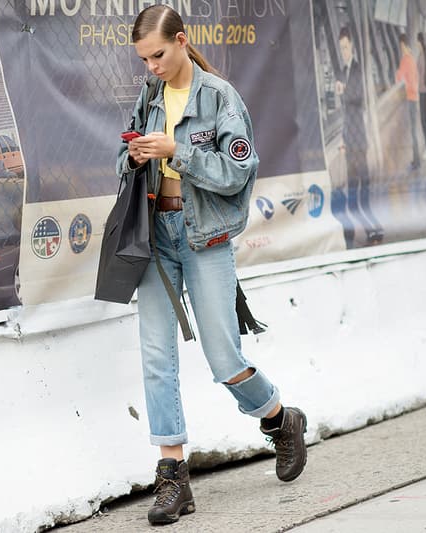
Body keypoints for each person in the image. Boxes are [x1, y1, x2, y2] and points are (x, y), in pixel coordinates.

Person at [117, 5, 307, 525]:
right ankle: (173, 478)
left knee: (224, 359)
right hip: (156, 236)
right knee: (156, 358)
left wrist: (177, 151)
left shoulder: (220, 98)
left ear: (181, 41)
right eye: (143, 59)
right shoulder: (150, 96)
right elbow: (124, 156)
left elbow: (237, 173)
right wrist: (134, 156)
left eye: (158, 54)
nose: (151, 66)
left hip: (204, 238)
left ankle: (279, 418)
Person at [335, 27, 383, 246]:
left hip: (359, 141)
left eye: (346, 47)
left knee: (362, 191)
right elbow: (346, 113)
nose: (344, 51)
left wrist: (343, 90)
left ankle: (374, 229)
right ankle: (368, 230)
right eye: (341, 48)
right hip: (350, 140)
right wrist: (344, 140)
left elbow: (357, 97)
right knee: (355, 191)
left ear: (352, 45)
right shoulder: (344, 70)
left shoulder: (356, 69)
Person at [395, 34, 421, 169]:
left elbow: (398, 77)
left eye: (401, 46)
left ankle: (416, 161)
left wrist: (398, 73)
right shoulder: (412, 58)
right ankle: (417, 159)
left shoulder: (405, 59)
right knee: (414, 130)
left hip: (410, 97)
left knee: (413, 131)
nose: (401, 49)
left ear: (404, 45)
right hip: (415, 96)